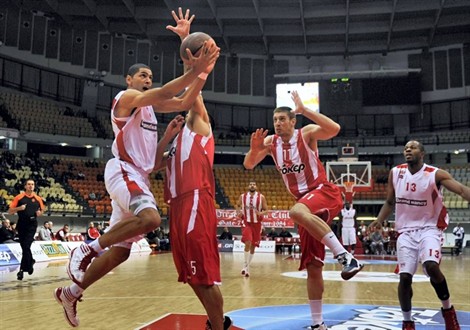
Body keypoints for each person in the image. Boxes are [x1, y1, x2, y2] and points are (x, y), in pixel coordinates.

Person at [54, 20, 220, 327]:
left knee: (121, 253)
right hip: (122, 171)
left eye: (150, 76)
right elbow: (171, 90)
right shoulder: (125, 99)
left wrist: (202, 73)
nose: (147, 79)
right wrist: (193, 65)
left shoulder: (151, 115)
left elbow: (184, 103)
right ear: (129, 79)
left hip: (138, 177)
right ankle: (86, 247)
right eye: (143, 75)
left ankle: (71, 292)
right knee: (151, 219)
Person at [243, 91, 363, 329]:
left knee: (295, 212)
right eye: (275, 120)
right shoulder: (271, 143)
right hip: (305, 203)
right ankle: (318, 324)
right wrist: (253, 148)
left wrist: (305, 109)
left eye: (282, 119)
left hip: (323, 191)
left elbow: (335, 129)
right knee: (313, 266)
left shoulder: (305, 133)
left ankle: (346, 257)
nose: (277, 123)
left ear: (293, 121)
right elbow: (248, 164)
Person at [158, 8, 231, 330]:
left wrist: (193, 60)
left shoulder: (201, 127)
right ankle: (219, 322)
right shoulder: (177, 140)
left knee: (202, 274)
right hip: (176, 205)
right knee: (190, 275)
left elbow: (192, 97)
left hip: (196, 200)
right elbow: (155, 166)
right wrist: (165, 137)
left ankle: (218, 326)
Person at [371, 140, 470, 330]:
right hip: (406, 231)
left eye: (413, 147)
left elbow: (462, 190)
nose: (408, 149)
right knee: (405, 278)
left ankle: (448, 312)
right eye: (406, 148)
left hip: (429, 228)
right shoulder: (396, 172)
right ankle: (407, 322)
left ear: (422, 153)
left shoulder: (435, 174)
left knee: (431, 266)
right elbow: (390, 202)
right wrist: (379, 219)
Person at [8, 179, 45, 280]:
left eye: (32, 184)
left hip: (32, 225)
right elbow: (10, 211)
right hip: (22, 225)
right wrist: (19, 208)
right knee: (25, 247)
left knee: (26, 245)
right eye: (28, 184)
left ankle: (21, 270)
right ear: (25, 186)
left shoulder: (38, 198)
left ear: (34, 186)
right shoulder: (19, 197)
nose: (30, 186)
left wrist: (39, 213)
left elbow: (42, 210)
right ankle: (30, 261)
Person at [236, 181, 268, 277]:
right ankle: (247, 268)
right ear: (248, 186)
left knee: (253, 246)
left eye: (254, 184)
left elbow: (266, 210)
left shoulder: (261, 197)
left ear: (256, 186)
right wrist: (238, 212)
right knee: (248, 242)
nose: (252, 185)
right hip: (246, 222)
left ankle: (245, 266)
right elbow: (237, 205)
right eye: (250, 184)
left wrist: (260, 213)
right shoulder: (242, 196)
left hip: (257, 224)